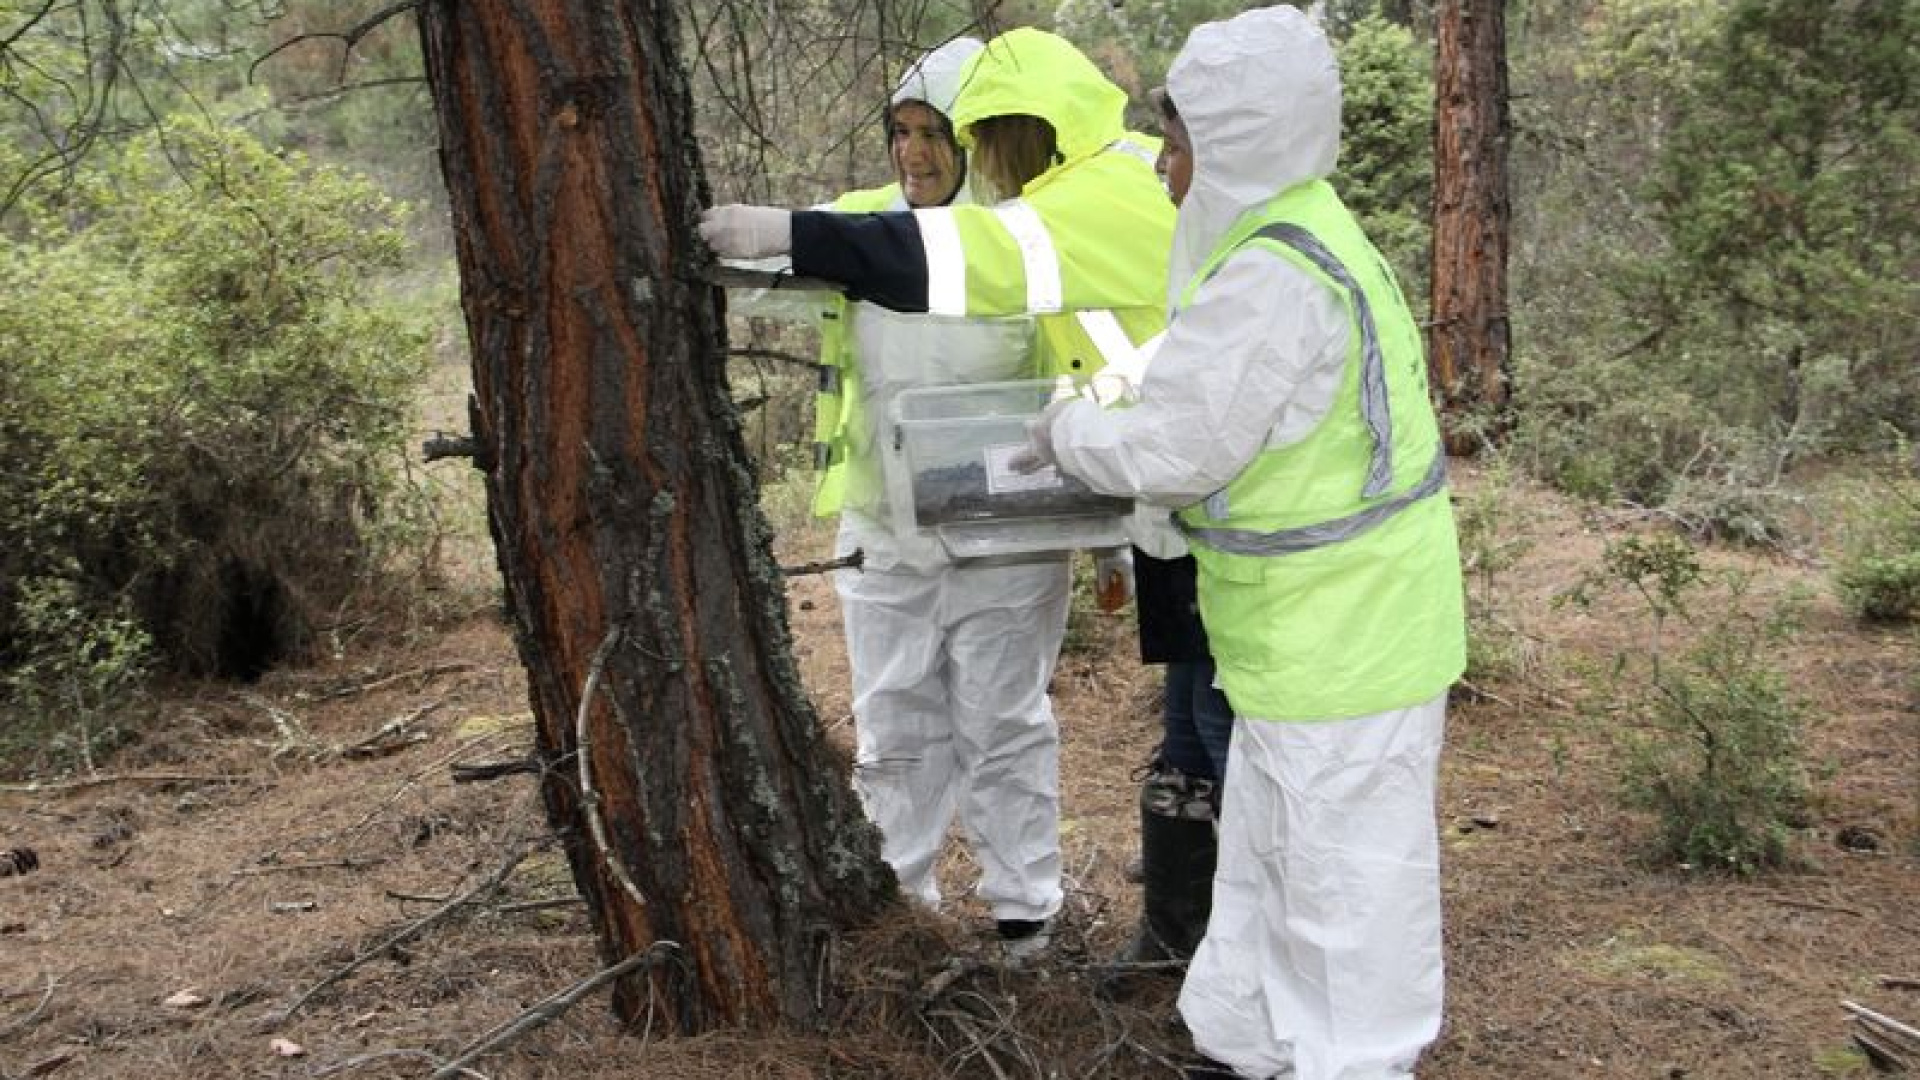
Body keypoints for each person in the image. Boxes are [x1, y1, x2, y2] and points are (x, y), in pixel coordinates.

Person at [1017, 7, 1466, 1078]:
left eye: (1178, 143)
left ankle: (1350, 1063)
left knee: (1345, 896)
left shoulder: (1275, 274)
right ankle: (1254, 1048)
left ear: (1234, 146)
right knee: (1273, 863)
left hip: (1344, 645)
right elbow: (1216, 387)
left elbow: (1176, 447)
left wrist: (1067, 429)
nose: (1164, 167)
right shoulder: (1298, 228)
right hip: (1314, 640)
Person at [702, 28, 1180, 960]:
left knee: (1005, 721)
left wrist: (1110, 534)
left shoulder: (1031, 232)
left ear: (977, 141)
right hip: (884, 535)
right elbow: (773, 262)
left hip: (1009, 539)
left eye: (935, 133)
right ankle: (901, 900)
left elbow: (1085, 376)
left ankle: (1025, 911)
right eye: (902, 130)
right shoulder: (868, 222)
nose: (913, 153)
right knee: (895, 721)